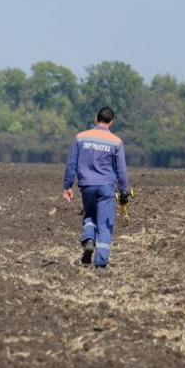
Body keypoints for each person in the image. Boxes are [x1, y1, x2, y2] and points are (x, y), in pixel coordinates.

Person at [62, 106, 131, 270]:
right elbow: (121, 169)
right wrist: (124, 191)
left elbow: (72, 163)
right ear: (111, 122)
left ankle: (88, 240)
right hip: (106, 188)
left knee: (89, 216)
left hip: (86, 186)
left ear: (96, 118)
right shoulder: (116, 142)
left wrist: (67, 186)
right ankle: (100, 263)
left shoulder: (81, 138)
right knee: (104, 224)